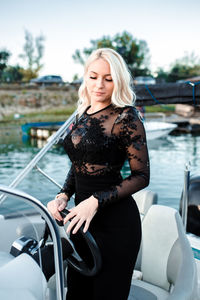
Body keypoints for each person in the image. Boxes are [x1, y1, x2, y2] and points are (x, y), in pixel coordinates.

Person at [47, 48, 150, 300]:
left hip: (116, 226)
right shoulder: (83, 114)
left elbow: (141, 176)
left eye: (108, 78)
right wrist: (63, 195)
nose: (99, 85)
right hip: (82, 224)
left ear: (118, 81)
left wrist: (94, 202)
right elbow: (79, 164)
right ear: (85, 77)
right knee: (77, 294)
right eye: (93, 77)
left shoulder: (126, 117)